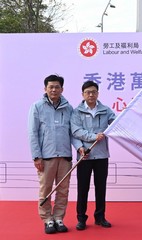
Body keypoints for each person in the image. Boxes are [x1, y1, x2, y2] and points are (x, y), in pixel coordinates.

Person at [28, 74, 81, 234]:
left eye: (57, 87)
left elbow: (73, 133)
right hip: (46, 157)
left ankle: (59, 218)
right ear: (45, 89)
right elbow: (32, 133)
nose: (54, 89)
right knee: (45, 189)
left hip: (65, 156)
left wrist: (79, 148)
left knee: (63, 190)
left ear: (62, 89)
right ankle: (47, 220)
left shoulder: (68, 108)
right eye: (51, 87)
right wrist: (36, 156)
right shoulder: (37, 107)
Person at [71, 81, 116, 231]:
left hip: (102, 155)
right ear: (83, 94)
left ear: (98, 93)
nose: (91, 94)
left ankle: (100, 217)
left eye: (94, 92)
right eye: (88, 92)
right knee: (82, 189)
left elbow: (116, 123)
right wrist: (83, 146)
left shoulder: (105, 110)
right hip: (85, 156)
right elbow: (76, 132)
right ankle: (81, 218)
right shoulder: (76, 112)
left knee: (101, 188)